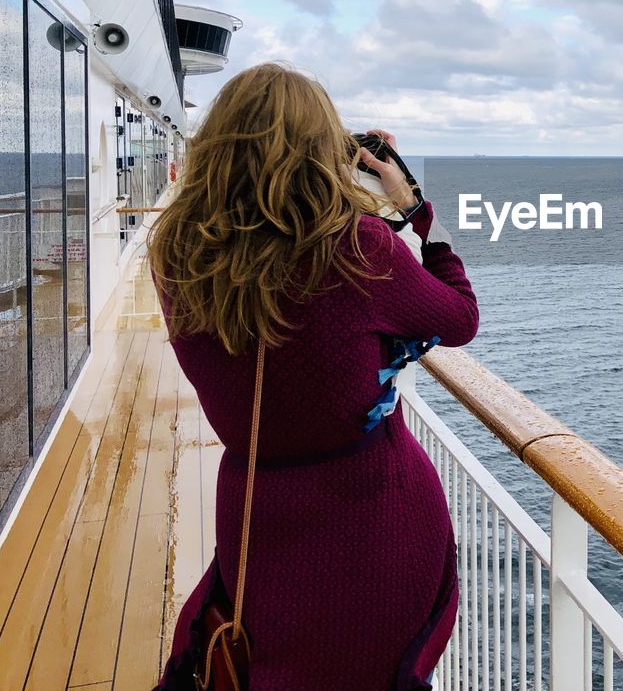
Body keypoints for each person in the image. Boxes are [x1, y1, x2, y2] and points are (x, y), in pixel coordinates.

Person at [150, 62, 477, 690]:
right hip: (368, 518)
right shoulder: (358, 249)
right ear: (324, 152)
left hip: (254, 508)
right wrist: (413, 208)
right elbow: (458, 316)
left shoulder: (178, 252)